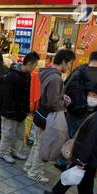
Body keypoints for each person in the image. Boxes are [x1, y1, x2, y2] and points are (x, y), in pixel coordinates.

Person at [44, 82, 97, 194]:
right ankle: (57, 193)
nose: (90, 97)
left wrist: (81, 161)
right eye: (89, 94)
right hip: (88, 155)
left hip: (88, 157)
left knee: (85, 184)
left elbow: (90, 141)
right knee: (73, 173)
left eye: (94, 95)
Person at [24, 49, 75, 183]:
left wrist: (60, 96)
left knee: (38, 143)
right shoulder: (56, 78)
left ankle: (29, 166)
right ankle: (35, 172)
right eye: (69, 63)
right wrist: (64, 102)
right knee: (43, 145)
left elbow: (50, 95)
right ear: (63, 62)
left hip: (42, 113)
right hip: (49, 116)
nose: (69, 67)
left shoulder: (48, 73)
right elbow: (53, 102)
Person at [56, 51, 97, 171]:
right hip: (93, 115)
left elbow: (66, 86)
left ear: (90, 58)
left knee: (71, 135)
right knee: (83, 139)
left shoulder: (80, 71)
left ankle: (63, 161)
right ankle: (73, 163)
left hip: (75, 111)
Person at [0, 51, 40, 164]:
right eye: (35, 65)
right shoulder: (11, 75)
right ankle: (4, 153)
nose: (36, 68)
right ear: (30, 64)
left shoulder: (27, 76)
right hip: (9, 111)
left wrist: (27, 110)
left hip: (20, 111)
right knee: (8, 133)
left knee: (20, 134)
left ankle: (16, 151)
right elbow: (7, 96)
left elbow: (26, 95)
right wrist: (9, 111)